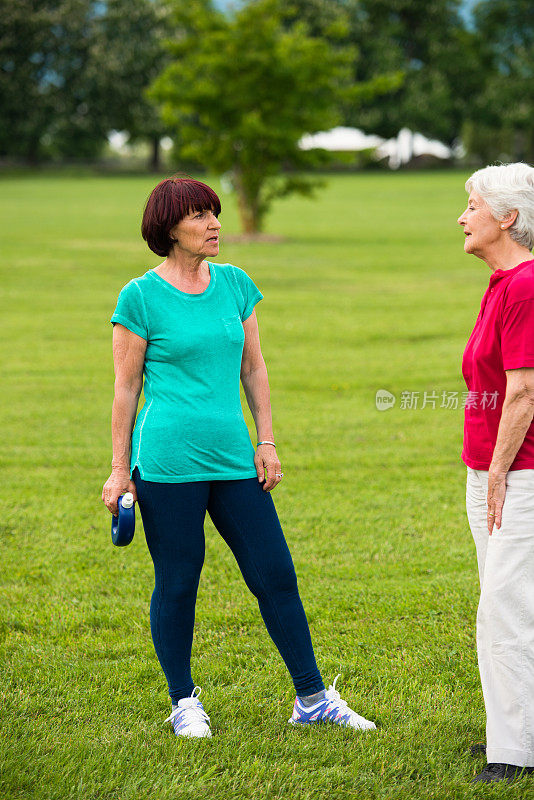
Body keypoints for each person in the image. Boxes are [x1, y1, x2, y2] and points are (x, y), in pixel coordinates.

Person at [102, 176, 376, 738]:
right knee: (179, 580)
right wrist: (116, 469)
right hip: (168, 463)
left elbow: (254, 367)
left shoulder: (235, 284)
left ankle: (313, 698)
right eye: (200, 216)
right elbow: (125, 390)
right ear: (168, 228)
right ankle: (183, 702)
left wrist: (266, 441)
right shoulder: (139, 297)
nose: (214, 225)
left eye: (215, 213)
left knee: (275, 573)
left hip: (233, 458)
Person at [458, 163, 534, 784]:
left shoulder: (526, 285)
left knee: (503, 608)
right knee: (507, 603)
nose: (463, 216)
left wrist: (500, 475)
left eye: (474, 206)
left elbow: (524, 393)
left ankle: (512, 753)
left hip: (519, 476)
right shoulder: (500, 283)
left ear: (507, 218)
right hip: (490, 472)